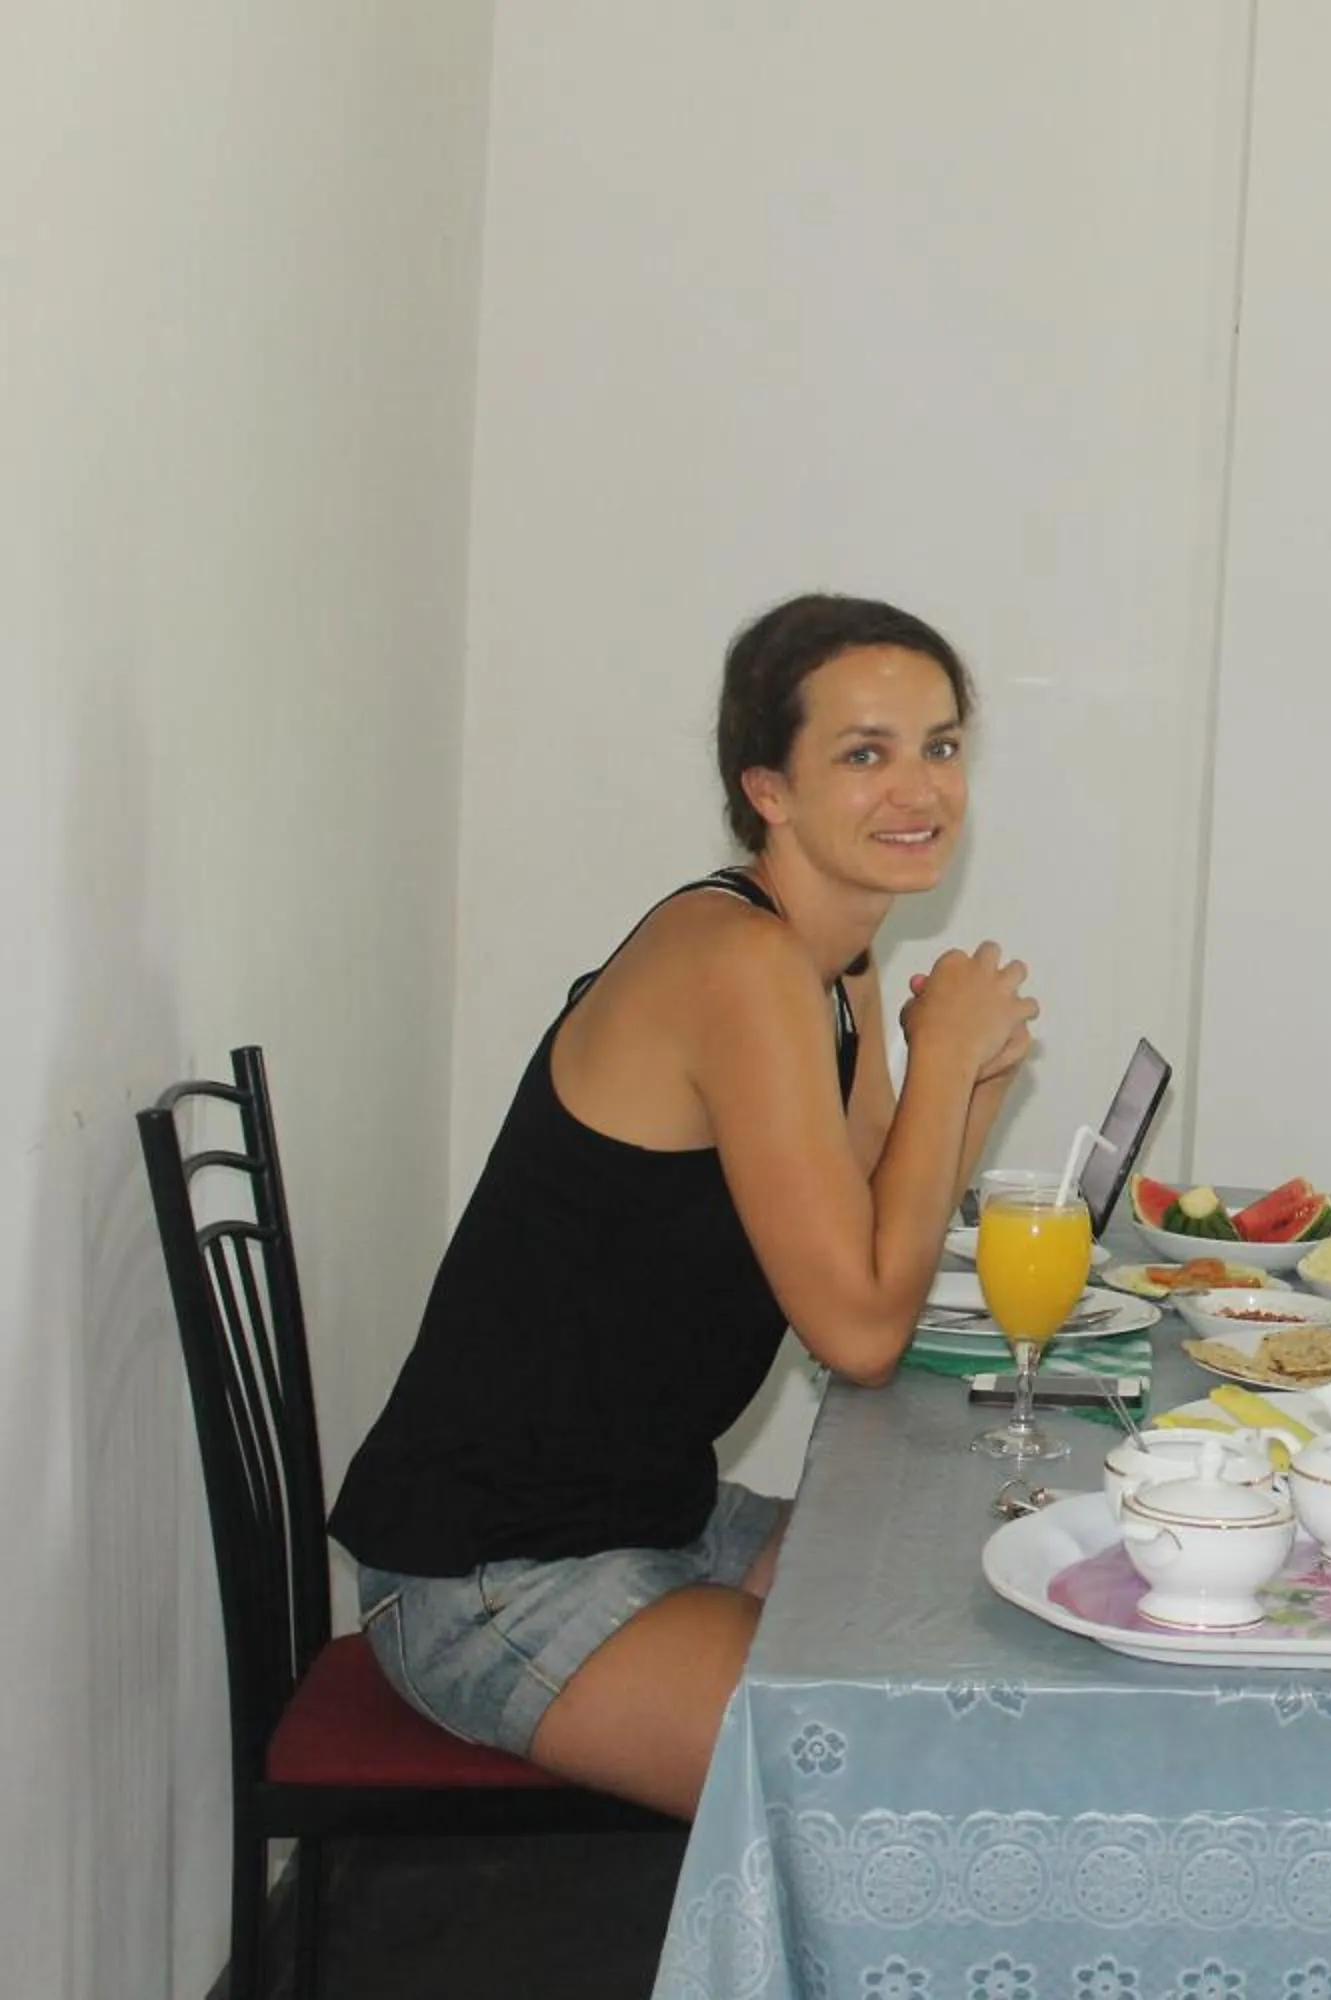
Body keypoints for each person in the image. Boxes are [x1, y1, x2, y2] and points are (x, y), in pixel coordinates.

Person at [329, 594, 1039, 1817]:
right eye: (864, 752)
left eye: (940, 744)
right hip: (496, 1575)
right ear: (770, 787)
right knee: (899, 1781)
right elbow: (861, 1334)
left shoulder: (834, 962)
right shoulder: (738, 962)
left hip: (658, 1515)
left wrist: (964, 1085)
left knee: (986, 1603)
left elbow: (879, 1226)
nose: (918, 787)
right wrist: (945, 1064)